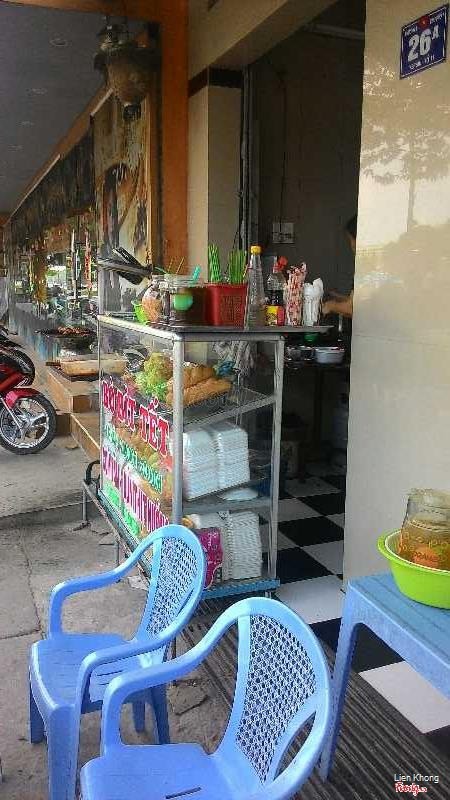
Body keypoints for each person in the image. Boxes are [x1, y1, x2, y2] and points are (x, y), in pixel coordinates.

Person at [322, 214, 357, 319]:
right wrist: (337, 297)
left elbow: (352, 308)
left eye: (351, 239)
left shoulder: (365, 269)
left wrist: (330, 305)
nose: (351, 245)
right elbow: (357, 302)